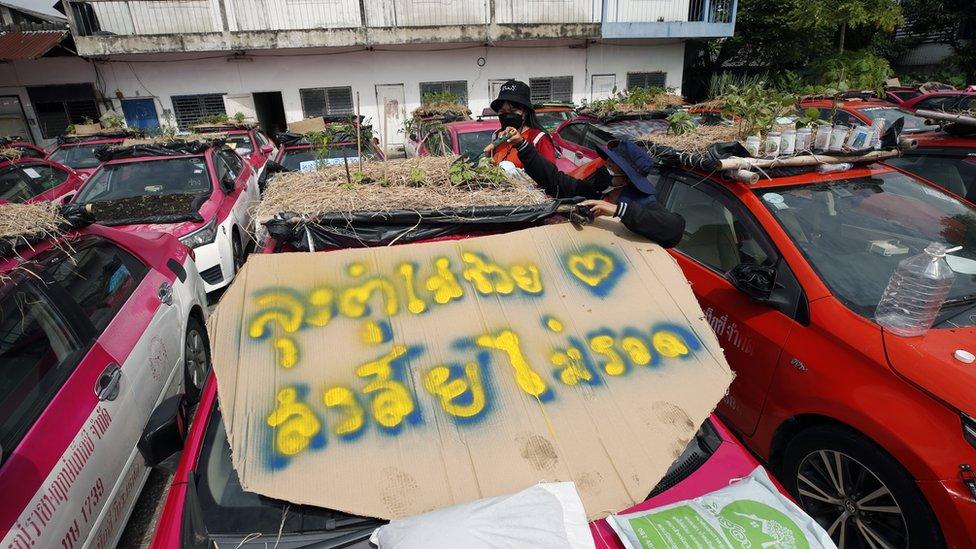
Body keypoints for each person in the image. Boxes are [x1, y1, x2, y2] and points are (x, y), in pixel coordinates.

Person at [505, 129, 685, 248]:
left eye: (613, 165)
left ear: (627, 176)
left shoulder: (643, 202)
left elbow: (674, 229)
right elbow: (555, 180)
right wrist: (522, 145)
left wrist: (619, 211)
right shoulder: (598, 192)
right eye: (608, 162)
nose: (605, 166)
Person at [488, 80, 558, 167]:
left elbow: (550, 175)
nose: (507, 115)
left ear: (525, 113)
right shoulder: (497, 136)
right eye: (502, 111)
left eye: (513, 111)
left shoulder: (539, 139)